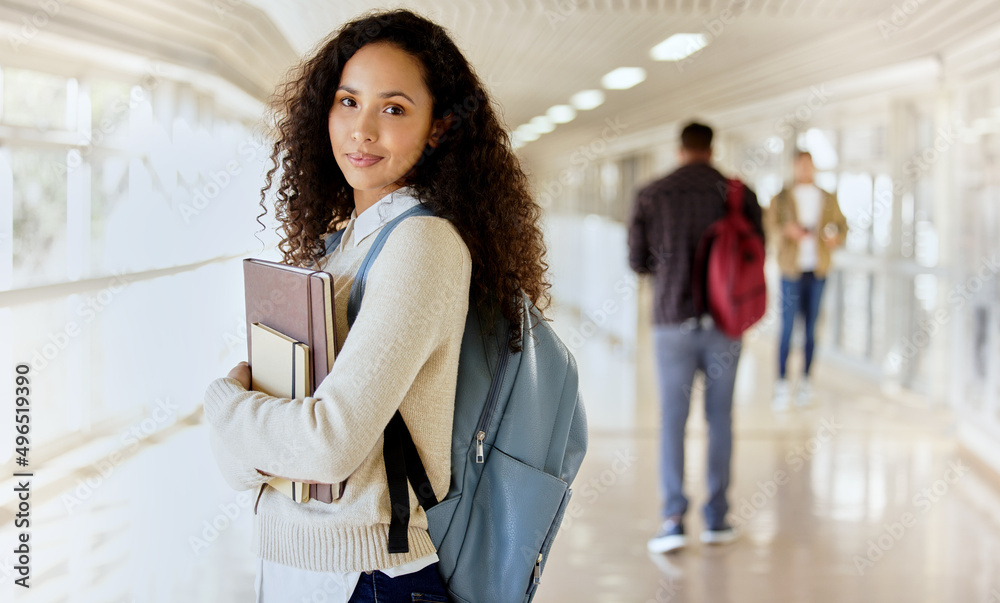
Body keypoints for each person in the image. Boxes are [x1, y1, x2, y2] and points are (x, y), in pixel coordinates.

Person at [202, 9, 550, 602]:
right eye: (347, 101)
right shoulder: (347, 243)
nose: (362, 130)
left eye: (393, 109)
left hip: (368, 580)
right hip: (311, 568)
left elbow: (328, 441)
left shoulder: (422, 244)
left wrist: (223, 410)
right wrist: (250, 447)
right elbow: (283, 442)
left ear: (437, 128)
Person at [628, 122, 764, 553]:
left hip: (671, 321)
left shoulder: (652, 193)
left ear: (680, 148)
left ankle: (672, 520)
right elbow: (756, 252)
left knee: (673, 420)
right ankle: (717, 519)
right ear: (712, 147)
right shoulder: (737, 194)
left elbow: (637, 261)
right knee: (720, 418)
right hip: (726, 323)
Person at [765, 151, 848, 410]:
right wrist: (786, 232)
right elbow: (770, 229)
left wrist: (835, 238)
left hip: (818, 270)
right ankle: (781, 384)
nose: (805, 170)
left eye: (808, 166)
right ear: (793, 167)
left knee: (811, 329)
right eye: (800, 166)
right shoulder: (781, 197)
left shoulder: (827, 197)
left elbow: (842, 227)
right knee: (787, 329)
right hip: (791, 270)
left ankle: (805, 382)